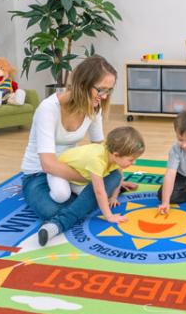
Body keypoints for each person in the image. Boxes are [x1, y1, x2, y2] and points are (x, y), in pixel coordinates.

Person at [20, 55, 138, 239]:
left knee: (115, 175)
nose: (104, 96)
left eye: (109, 90)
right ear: (82, 84)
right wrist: (93, 178)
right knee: (52, 210)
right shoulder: (48, 109)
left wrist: (109, 175)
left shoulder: (94, 107)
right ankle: (78, 206)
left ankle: (63, 218)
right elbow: (48, 164)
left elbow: (101, 148)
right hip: (39, 174)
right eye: (101, 90)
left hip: (74, 169)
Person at [39, 126, 146, 244]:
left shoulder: (113, 154)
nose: (134, 162)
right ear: (116, 155)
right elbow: (99, 192)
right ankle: (57, 223)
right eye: (131, 160)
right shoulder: (97, 159)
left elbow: (119, 175)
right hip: (61, 174)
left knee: (102, 189)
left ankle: (63, 215)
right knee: (65, 196)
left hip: (81, 177)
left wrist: (114, 197)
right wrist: (109, 216)